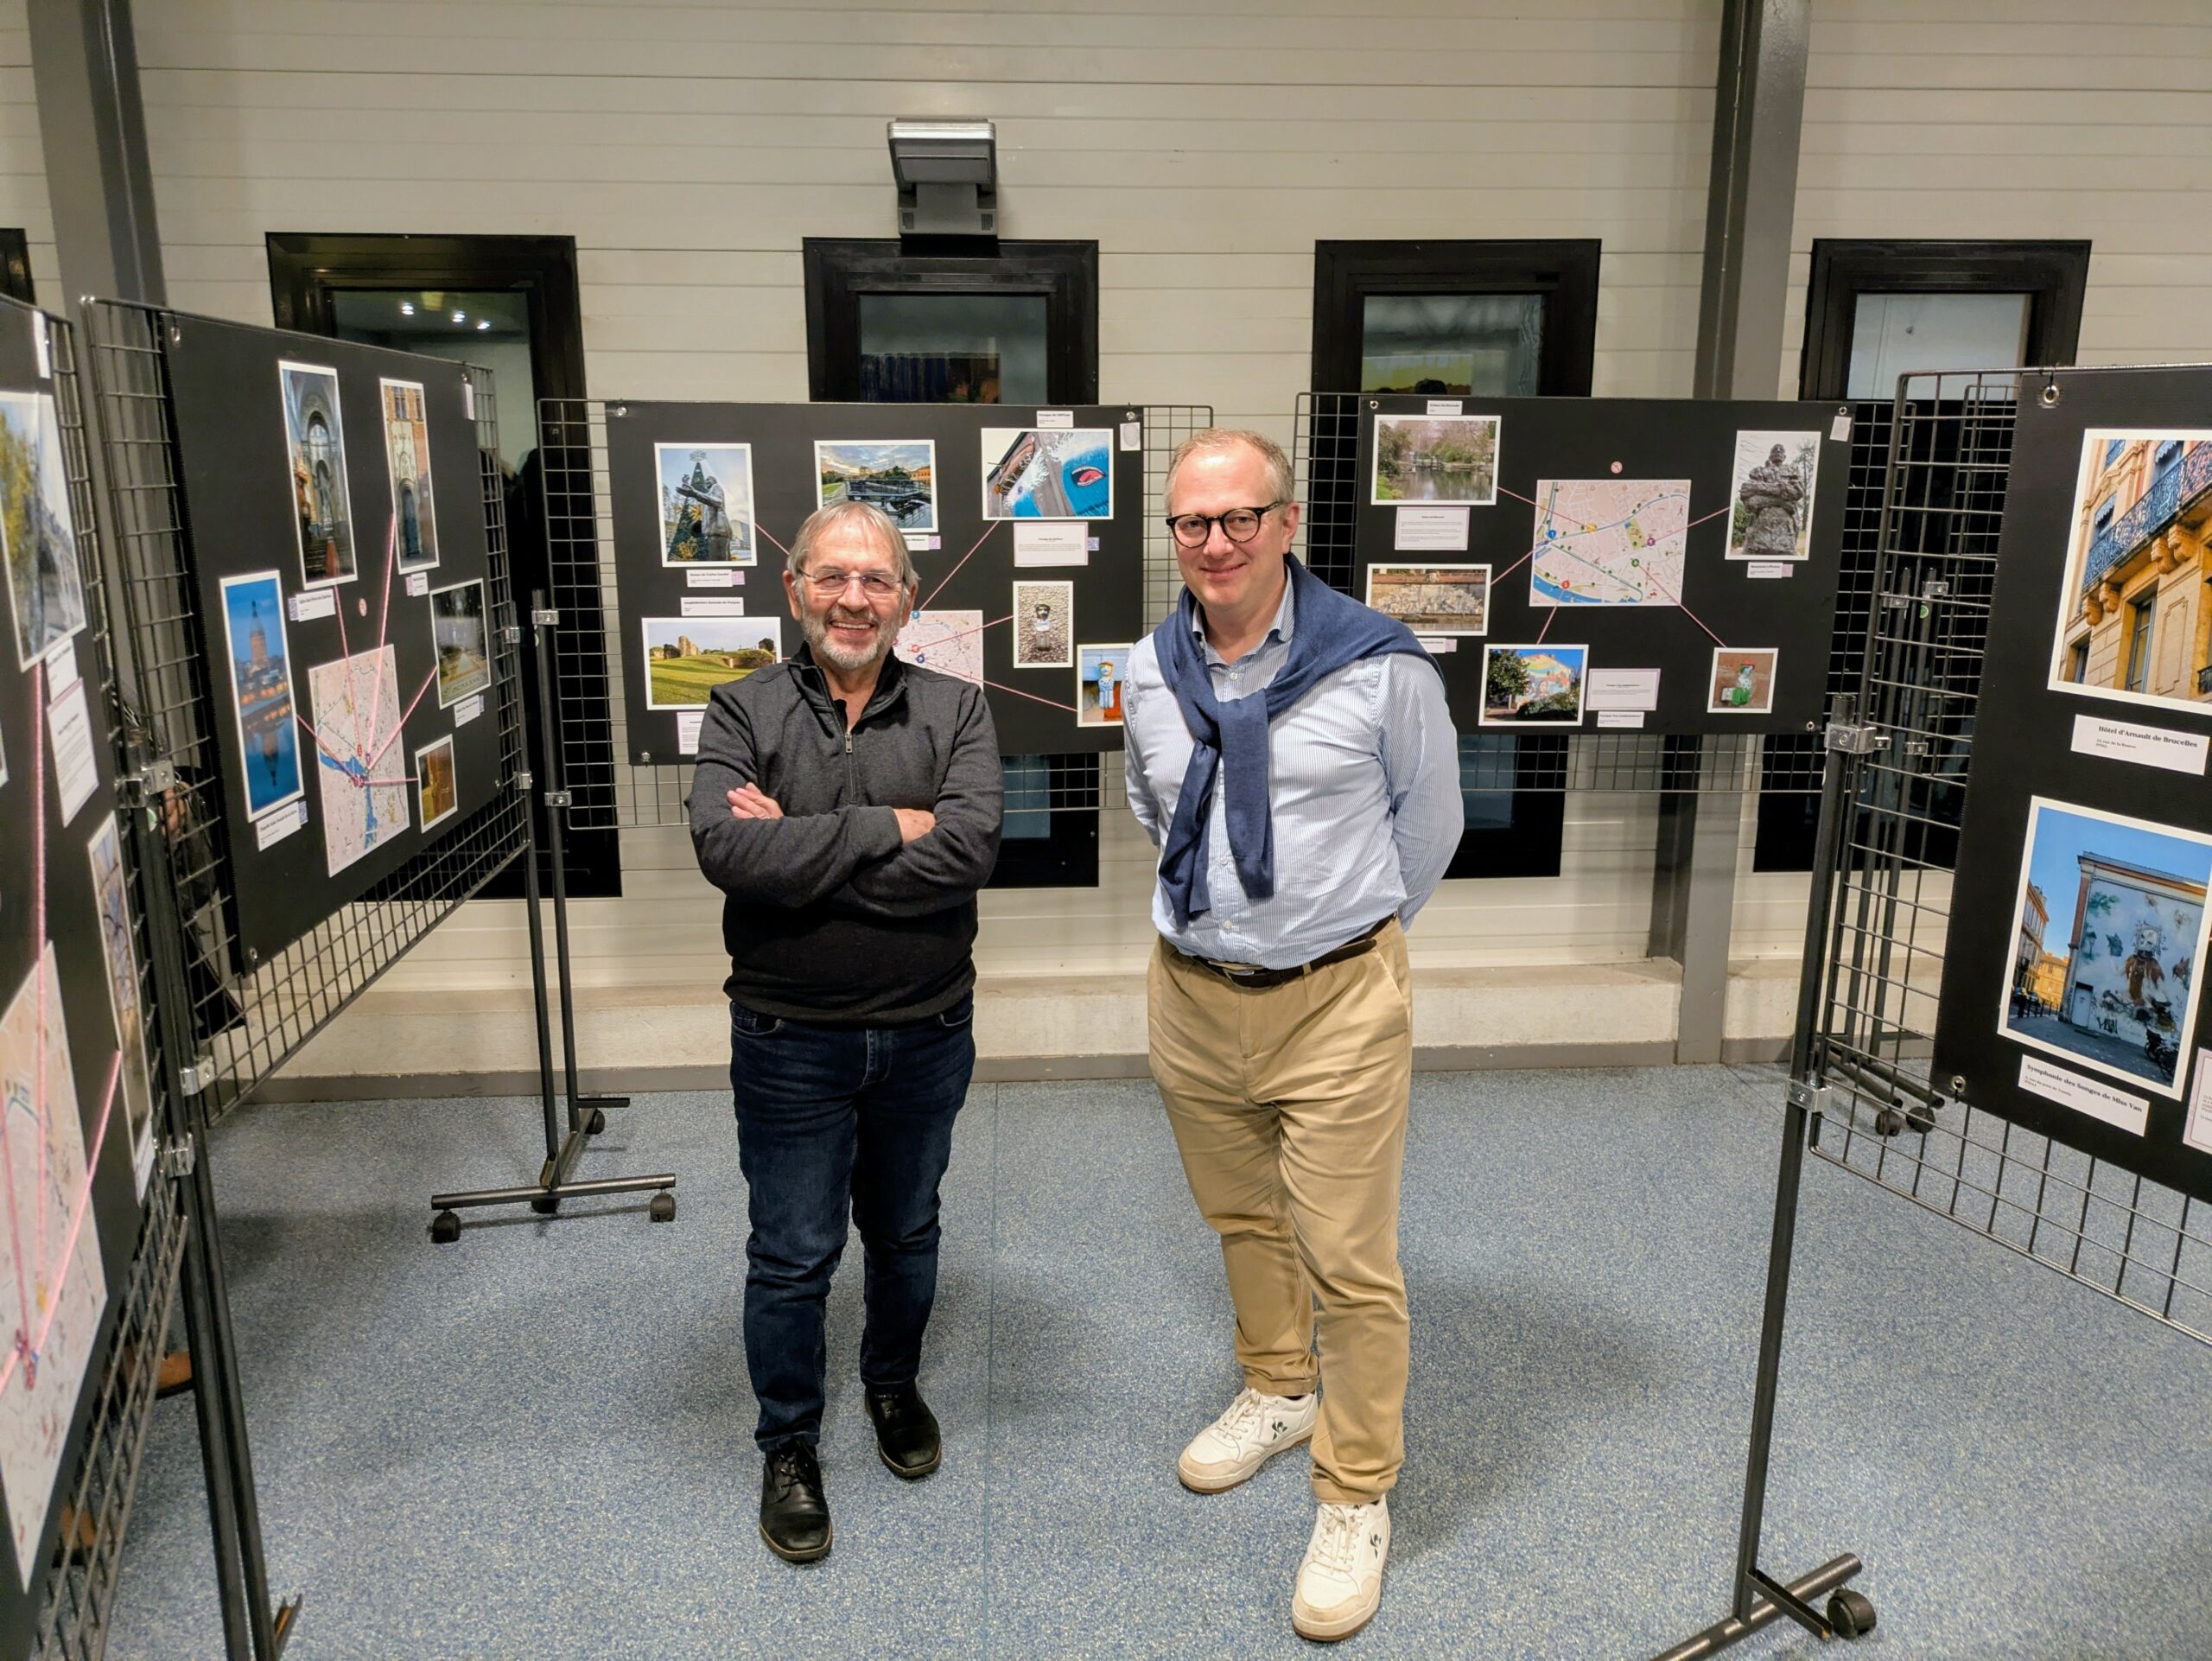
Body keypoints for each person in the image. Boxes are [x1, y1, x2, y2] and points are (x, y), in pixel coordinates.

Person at [1122, 429, 1460, 1642]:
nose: (1213, 543)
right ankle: (1278, 1384)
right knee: (1243, 1215)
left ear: (1286, 520)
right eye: (1190, 523)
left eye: (1237, 518)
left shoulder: (1379, 667)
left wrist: (1335, 942)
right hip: (1192, 994)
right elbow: (1152, 802)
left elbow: (1428, 830)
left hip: (1337, 1002)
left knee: (1352, 1260)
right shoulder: (1148, 670)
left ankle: (1357, 1486)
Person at [688, 499, 1002, 1565]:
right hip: (789, 1037)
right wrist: (883, 829)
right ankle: (787, 1443)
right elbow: (729, 856)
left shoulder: (958, 709)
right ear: (796, 589)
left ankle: (890, 1382)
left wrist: (809, 856)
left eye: (876, 579)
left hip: (925, 1029)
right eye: (832, 576)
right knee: (791, 1253)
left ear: (906, 597)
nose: (853, 598)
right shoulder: (738, 708)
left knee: (907, 1227)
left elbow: (964, 855)